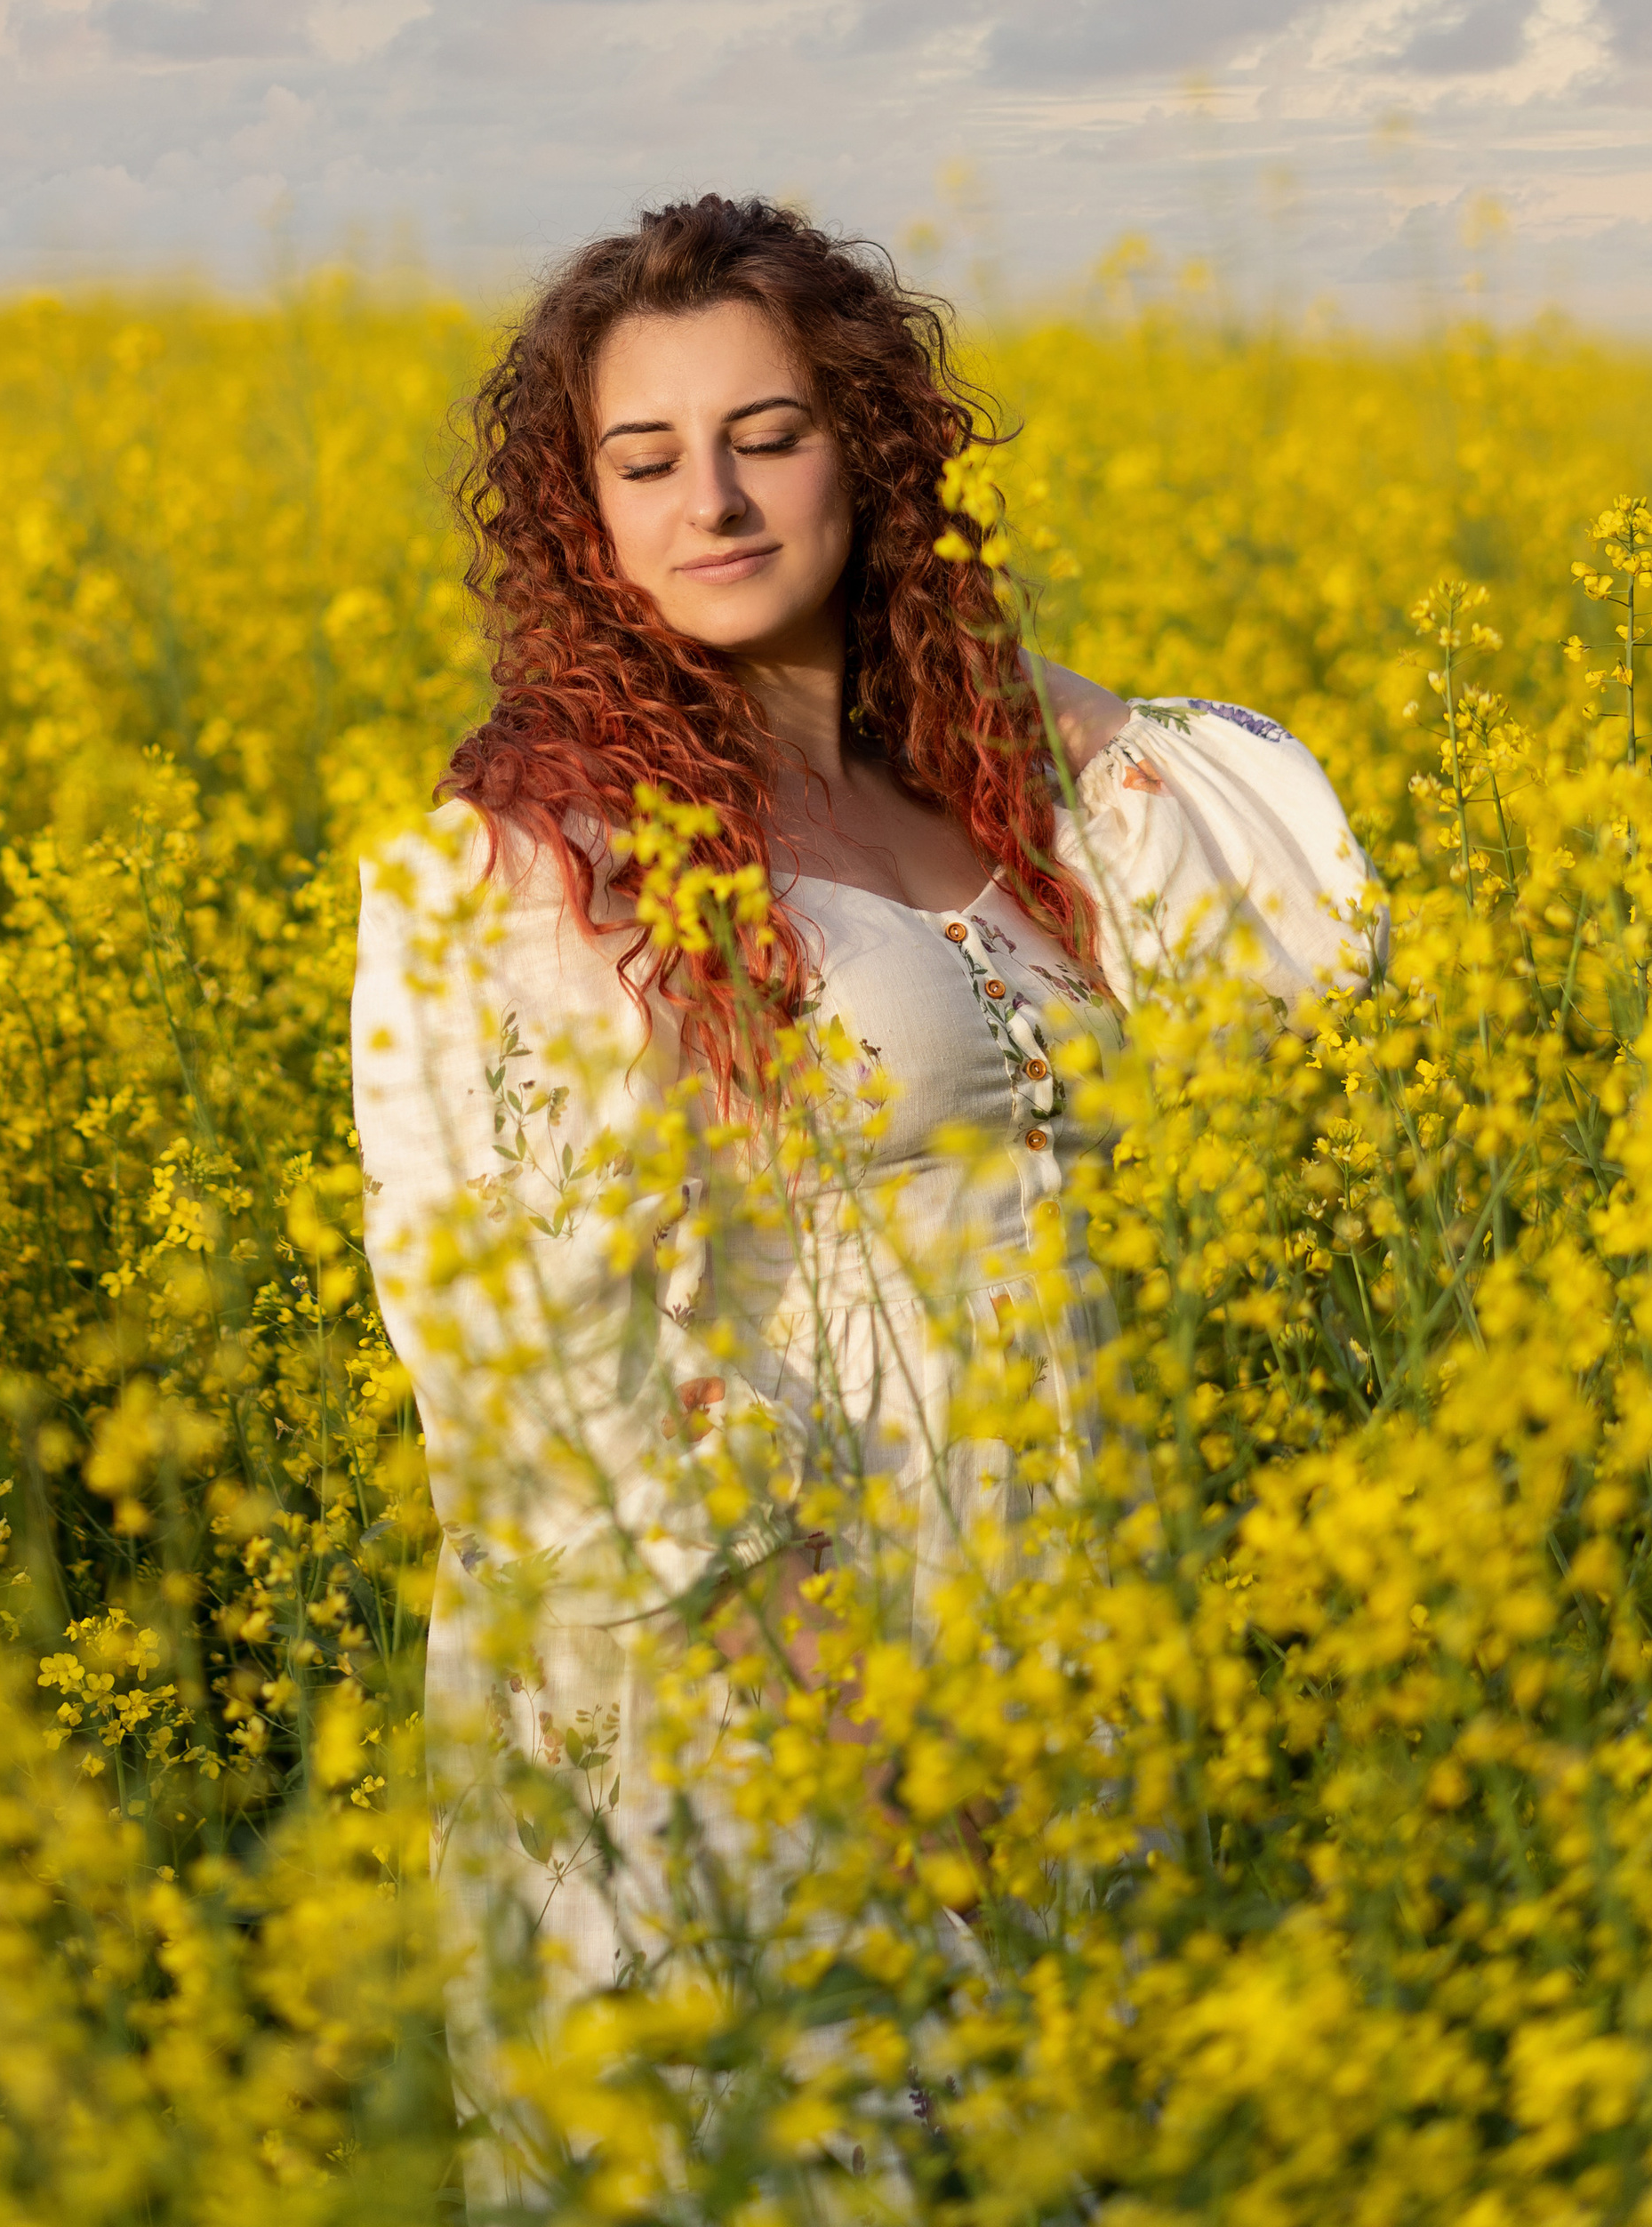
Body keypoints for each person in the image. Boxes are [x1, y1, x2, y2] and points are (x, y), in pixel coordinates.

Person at [350, 195, 1374, 2202]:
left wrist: (983, 669)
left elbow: (1304, 970)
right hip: (760, 1689)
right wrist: (857, 1712)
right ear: (581, 518)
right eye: (641, 463)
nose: (710, 501)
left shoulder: (1000, 797)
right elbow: (538, 1360)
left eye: (771, 434)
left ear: (869, 455)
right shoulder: (530, 867)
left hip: (1073, 1648)